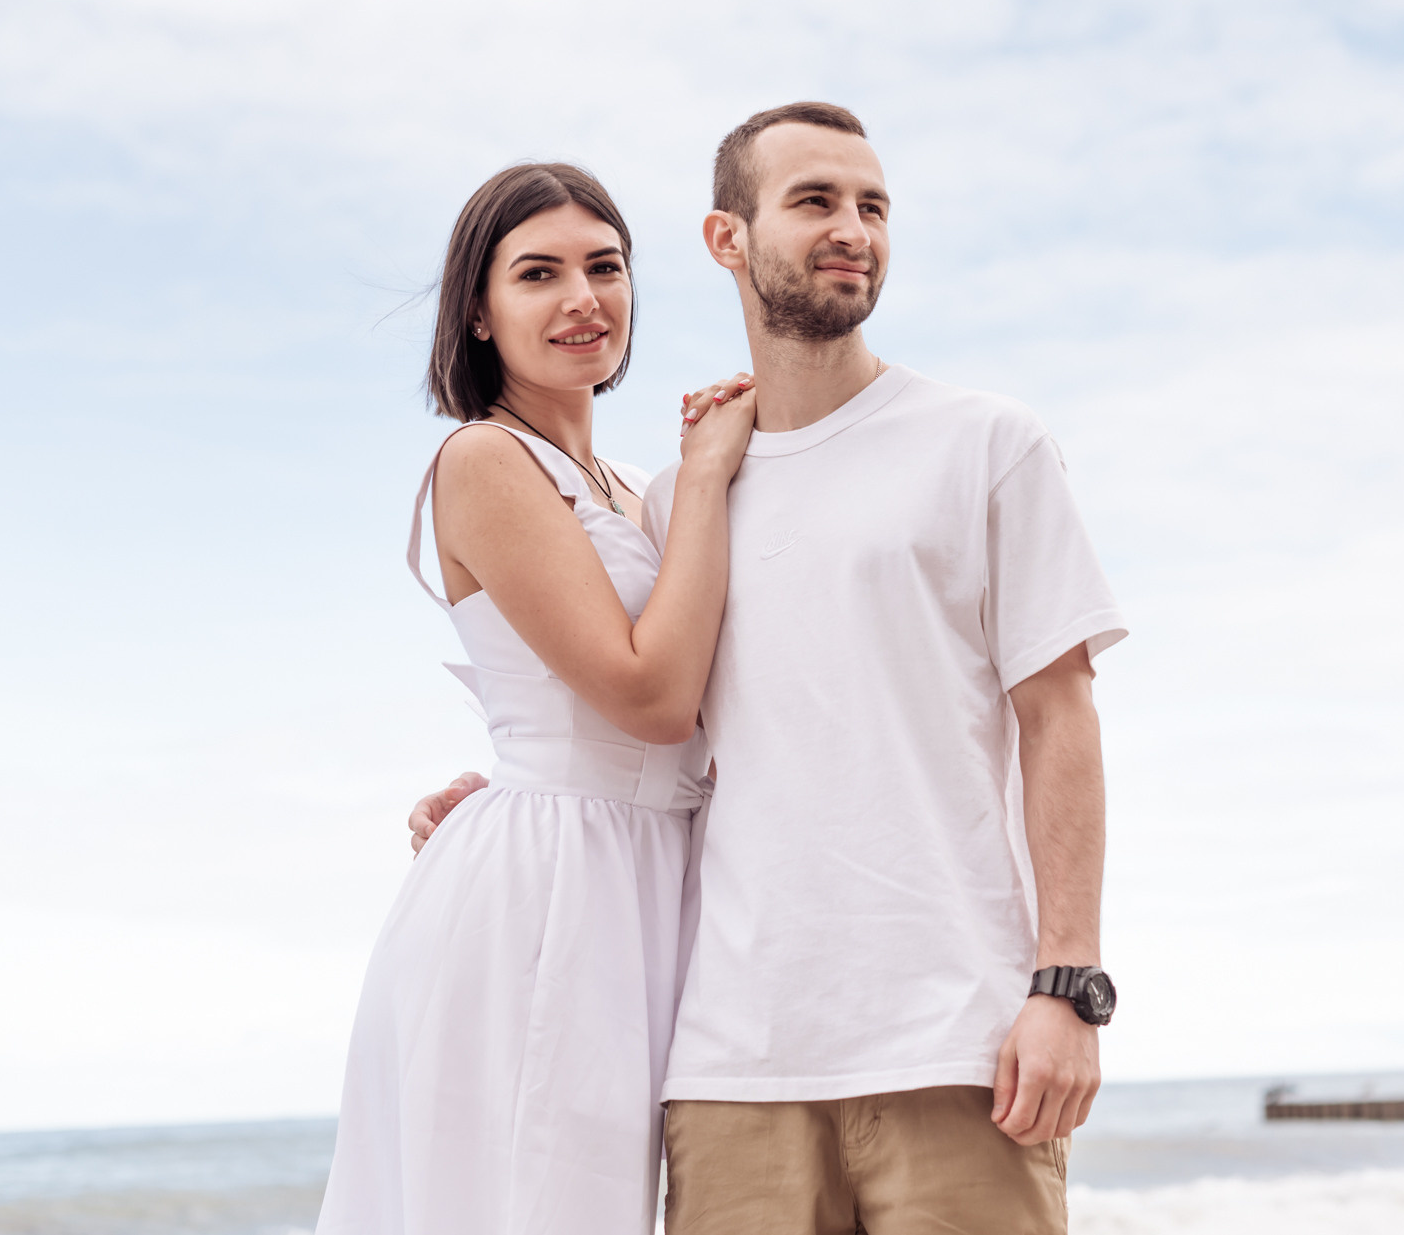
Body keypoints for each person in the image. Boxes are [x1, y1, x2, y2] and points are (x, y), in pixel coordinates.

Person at [412, 102, 1126, 1234]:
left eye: (873, 205)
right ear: (727, 239)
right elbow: (663, 714)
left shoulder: (987, 443)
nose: (852, 229)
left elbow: (1061, 717)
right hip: (728, 1069)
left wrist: (1068, 984)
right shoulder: (679, 496)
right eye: (814, 202)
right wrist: (501, 793)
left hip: (954, 1043)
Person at [315, 162, 757, 1235]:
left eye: (606, 267)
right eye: (538, 273)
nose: (582, 299)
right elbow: (650, 697)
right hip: (553, 889)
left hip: (656, 874)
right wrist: (707, 478)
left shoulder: (634, 487)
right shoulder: (483, 458)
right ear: (479, 309)